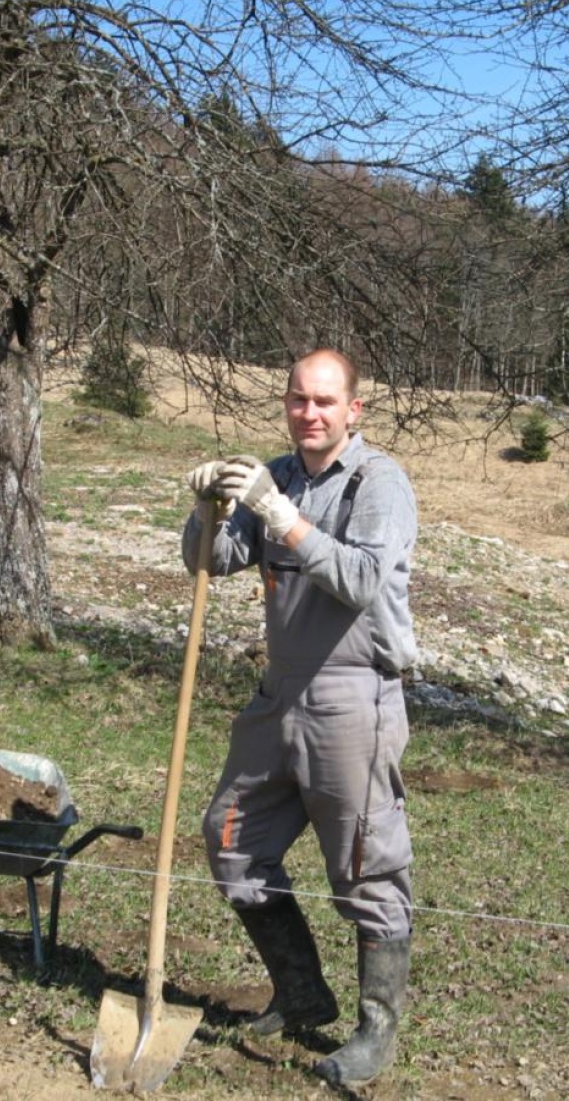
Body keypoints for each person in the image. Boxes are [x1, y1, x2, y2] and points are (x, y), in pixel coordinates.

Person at [181, 347, 418, 1087]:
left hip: (355, 694)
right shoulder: (277, 474)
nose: (308, 413)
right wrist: (207, 506)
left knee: (364, 868)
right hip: (280, 690)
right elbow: (212, 562)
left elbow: (359, 577)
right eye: (296, 400)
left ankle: (374, 1031)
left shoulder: (379, 484)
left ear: (355, 410)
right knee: (231, 836)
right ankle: (301, 988)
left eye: (323, 401)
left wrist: (279, 516)